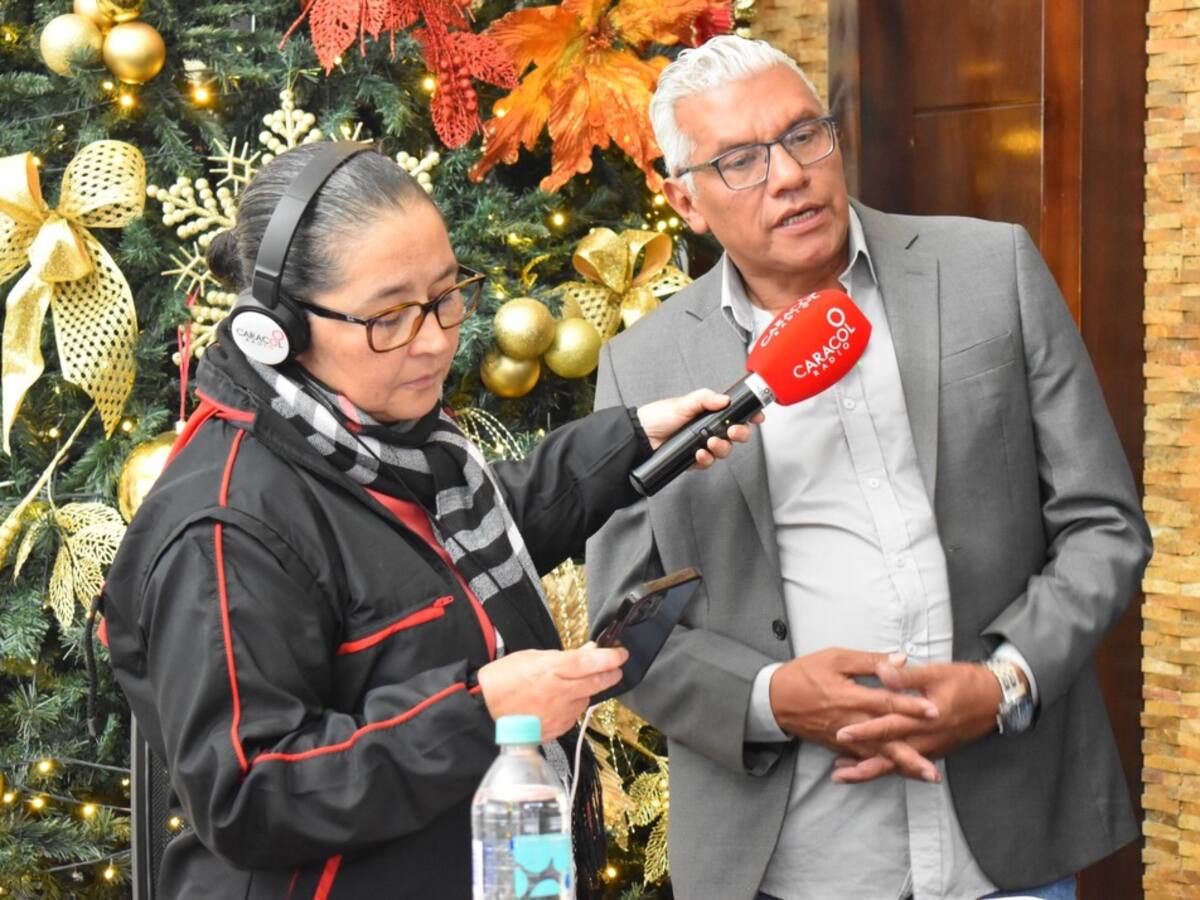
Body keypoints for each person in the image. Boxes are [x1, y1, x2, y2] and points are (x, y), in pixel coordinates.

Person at [99, 142, 753, 899]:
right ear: (276, 329)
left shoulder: (385, 449)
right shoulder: (224, 527)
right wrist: (483, 715)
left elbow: (446, 551)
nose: (437, 339)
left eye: (447, 295)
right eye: (390, 318)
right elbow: (247, 795)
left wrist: (634, 437)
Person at [585, 35, 1152, 900]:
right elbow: (627, 625)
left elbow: (1103, 523)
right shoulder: (645, 365)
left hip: (1006, 836)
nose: (787, 175)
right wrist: (775, 699)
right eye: (739, 160)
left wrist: (1002, 681)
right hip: (789, 856)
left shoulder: (988, 270)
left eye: (804, 135)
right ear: (686, 201)